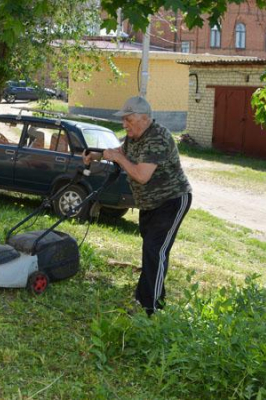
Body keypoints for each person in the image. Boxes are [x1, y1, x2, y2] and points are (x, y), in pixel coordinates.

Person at [83, 96, 192, 316]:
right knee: (151, 251)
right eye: (123, 120)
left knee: (155, 251)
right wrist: (96, 155)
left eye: (128, 120)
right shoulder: (135, 137)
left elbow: (142, 175)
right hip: (149, 204)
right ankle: (146, 299)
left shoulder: (158, 138)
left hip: (171, 200)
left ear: (143, 119)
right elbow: (120, 151)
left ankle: (151, 309)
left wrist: (119, 159)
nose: (124, 125)